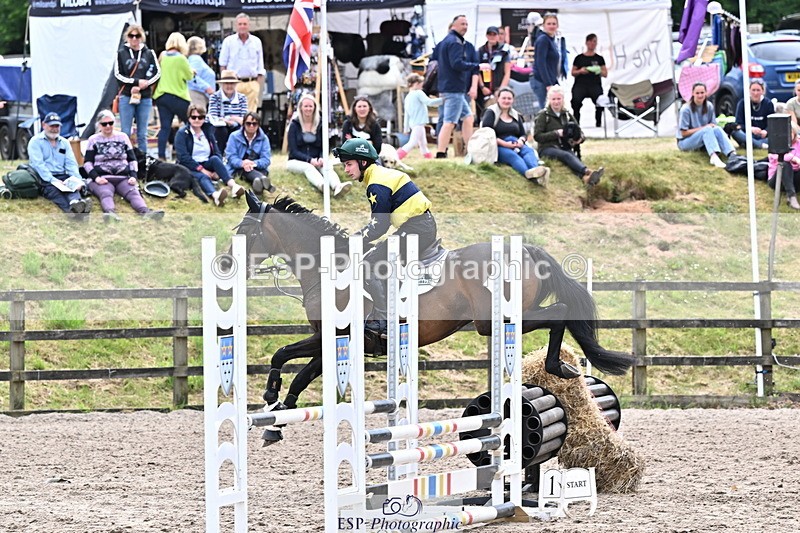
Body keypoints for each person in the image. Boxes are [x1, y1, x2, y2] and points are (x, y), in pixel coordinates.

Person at [333, 138, 437, 336]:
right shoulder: (380, 175)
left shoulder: (376, 184)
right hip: (419, 225)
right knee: (378, 254)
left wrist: (354, 240)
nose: (345, 170)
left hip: (417, 227)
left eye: (348, 164)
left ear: (363, 163)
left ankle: (383, 320)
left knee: (368, 264)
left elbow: (379, 226)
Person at [83, 110, 164, 222]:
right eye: (104, 124)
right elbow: (87, 162)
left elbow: (132, 159)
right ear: (99, 125)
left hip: (123, 177)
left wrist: (133, 176)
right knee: (105, 193)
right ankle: (110, 213)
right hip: (103, 178)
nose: (108, 126)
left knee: (133, 192)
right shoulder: (93, 140)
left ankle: (146, 212)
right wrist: (96, 178)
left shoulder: (123, 137)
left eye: (110, 123)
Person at [435, 15, 487, 159]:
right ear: (453, 26)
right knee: (449, 122)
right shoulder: (455, 42)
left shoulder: (446, 41)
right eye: (462, 24)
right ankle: (440, 153)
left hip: (449, 87)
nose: (465, 27)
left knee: (468, 118)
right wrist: (478, 66)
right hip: (453, 88)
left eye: (466, 24)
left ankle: (470, 152)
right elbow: (456, 64)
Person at [175, 103, 244, 207]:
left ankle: (233, 186)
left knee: (216, 159)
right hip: (189, 166)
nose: (197, 120)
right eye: (194, 117)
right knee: (203, 177)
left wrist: (216, 171)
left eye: (200, 117)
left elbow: (217, 151)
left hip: (206, 162)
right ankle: (215, 196)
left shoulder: (207, 131)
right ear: (189, 118)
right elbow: (183, 157)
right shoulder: (182, 133)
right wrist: (202, 169)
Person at [534, 86, 604, 185]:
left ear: (563, 99)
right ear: (549, 100)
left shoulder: (566, 114)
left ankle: (585, 178)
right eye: (553, 99)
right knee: (566, 155)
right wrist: (556, 134)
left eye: (559, 99)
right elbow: (537, 136)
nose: (556, 102)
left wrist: (579, 139)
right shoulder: (543, 115)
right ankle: (587, 172)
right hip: (547, 148)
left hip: (564, 146)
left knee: (572, 157)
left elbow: (579, 130)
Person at [27, 112, 92, 216]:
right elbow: (39, 165)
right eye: (51, 125)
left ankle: (78, 205)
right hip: (45, 179)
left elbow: (71, 164)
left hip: (63, 176)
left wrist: (78, 180)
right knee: (55, 192)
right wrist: (54, 180)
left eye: (57, 126)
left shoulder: (65, 142)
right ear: (44, 125)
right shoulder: (35, 142)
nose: (54, 128)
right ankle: (73, 212)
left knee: (73, 188)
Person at [286, 93, 351, 197]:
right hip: (296, 161)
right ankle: (322, 186)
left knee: (327, 165)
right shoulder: (294, 125)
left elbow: (325, 145)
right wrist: (309, 160)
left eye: (310, 106)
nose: (308, 109)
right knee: (308, 167)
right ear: (301, 108)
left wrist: (321, 158)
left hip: (316, 159)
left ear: (315, 107)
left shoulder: (320, 124)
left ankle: (337, 186)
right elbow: (293, 151)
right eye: (305, 106)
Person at [482, 87, 549, 186]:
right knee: (513, 156)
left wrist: (521, 140)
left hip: (516, 143)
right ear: (498, 99)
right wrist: (505, 144)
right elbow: (486, 133)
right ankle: (529, 175)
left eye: (509, 99)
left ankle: (536, 171)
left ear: (513, 100)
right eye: (504, 98)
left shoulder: (516, 114)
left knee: (528, 151)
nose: (506, 101)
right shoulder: (491, 113)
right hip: (498, 145)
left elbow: (523, 134)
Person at [114, 23, 160, 154]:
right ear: (127, 37)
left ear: (142, 37)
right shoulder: (121, 53)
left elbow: (157, 73)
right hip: (127, 95)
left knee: (142, 133)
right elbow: (117, 75)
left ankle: (143, 163)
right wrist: (135, 83)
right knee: (125, 132)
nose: (134, 39)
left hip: (144, 96)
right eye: (131, 36)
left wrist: (145, 84)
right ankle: (125, 160)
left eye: (137, 36)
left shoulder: (149, 53)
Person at [153, 32, 193, 161]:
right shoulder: (181, 58)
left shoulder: (162, 56)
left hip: (162, 95)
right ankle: (187, 153)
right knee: (190, 124)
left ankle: (161, 156)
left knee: (165, 127)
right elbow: (189, 76)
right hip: (179, 96)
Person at [676, 82, 736, 168]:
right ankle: (714, 157)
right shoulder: (686, 109)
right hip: (685, 142)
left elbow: (713, 126)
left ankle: (732, 154)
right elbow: (683, 133)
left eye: (702, 93)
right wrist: (704, 128)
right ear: (693, 93)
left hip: (703, 138)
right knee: (707, 129)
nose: (700, 95)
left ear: (706, 93)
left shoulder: (709, 106)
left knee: (717, 129)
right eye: (697, 93)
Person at [219, 12, 265, 114]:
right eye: (240, 24)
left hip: (252, 83)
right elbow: (223, 64)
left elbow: (260, 65)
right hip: (234, 84)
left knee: (251, 116)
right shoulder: (228, 41)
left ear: (249, 25)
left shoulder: (256, 41)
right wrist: (225, 84)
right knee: (234, 114)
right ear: (236, 26)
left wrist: (258, 85)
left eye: (244, 24)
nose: (242, 26)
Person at [225, 111, 274, 196]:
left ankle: (258, 182)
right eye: (248, 123)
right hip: (239, 168)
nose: (251, 126)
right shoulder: (233, 136)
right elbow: (231, 156)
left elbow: (266, 159)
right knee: (246, 170)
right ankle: (263, 182)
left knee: (253, 170)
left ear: (258, 125)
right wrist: (242, 163)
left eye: (254, 124)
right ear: (243, 124)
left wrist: (253, 163)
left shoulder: (264, 138)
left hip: (258, 167)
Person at [397, 73, 441, 160]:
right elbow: (429, 102)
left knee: (423, 143)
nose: (422, 86)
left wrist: (406, 128)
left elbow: (407, 114)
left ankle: (428, 157)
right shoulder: (418, 93)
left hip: (414, 123)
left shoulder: (408, 97)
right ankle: (397, 156)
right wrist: (443, 100)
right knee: (412, 142)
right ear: (416, 83)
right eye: (421, 83)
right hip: (419, 123)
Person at [570, 33, 607, 128]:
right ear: (586, 43)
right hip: (581, 84)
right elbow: (573, 72)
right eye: (590, 41)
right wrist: (580, 71)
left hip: (594, 84)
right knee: (575, 101)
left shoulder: (599, 58)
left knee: (600, 101)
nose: (592, 44)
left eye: (594, 41)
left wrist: (598, 70)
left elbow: (605, 73)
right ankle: (576, 123)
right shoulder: (579, 58)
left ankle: (598, 122)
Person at [208, 70, 249, 154]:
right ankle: (219, 154)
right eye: (226, 83)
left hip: (237, 126)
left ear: (235, 84)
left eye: (232, 83)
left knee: (240, 131)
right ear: (222, 84)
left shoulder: (242, 98)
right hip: (219, 128)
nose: (229, 86)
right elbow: (213, 117)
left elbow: (244, 119)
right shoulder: (214, 97)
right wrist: (229, 121)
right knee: (221, 130)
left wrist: (230, 119)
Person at [476, 26, 511, 119]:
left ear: (498, 36)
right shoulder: (480, 50)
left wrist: (501, 89)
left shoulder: (504, 50)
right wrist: (482, 86)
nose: (492, 37)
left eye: (494, 34)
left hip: (498, 86)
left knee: (500, 114)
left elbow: (507, 72)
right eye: (490, 34)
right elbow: (476, 69)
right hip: (483, 89)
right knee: (484, 115)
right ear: (486, 35)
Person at [730, 79, 773, 150]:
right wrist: (750, 129)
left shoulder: (768, 104)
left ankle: (752, 144)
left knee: (775, 137)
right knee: (735, 132)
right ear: (749, 90)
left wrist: (766, 131)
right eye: (753, 90)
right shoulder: (742, 103)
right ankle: (760, 145)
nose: (755, 93)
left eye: (758, 90)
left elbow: (771, 124)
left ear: (763, 91)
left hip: (762, 136)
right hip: (747, 134)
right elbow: (739, 124)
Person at [531, 13, 561, 113]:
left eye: (554, 23)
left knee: (554, 110)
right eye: (549, 24)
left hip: (550, 80)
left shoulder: (551, 40)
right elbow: (541, 63)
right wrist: (548, 84)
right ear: (543, 25)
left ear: (557, 25)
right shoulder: (543, 39)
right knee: (545, 111)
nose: (551, 26)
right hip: (541, 81)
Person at [767, 129, 800, 210]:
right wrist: (794, 158)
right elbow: (776, 156)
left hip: (795, 177)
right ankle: (791, 196)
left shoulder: (798, 143)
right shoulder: (775, 144)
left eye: (790, 133)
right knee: (784, 164)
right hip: (777, 180)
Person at [186, 36, 216, 108]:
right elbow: (192, 77)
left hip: (200, 95)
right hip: (197, 95)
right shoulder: (195, 59)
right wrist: (207, 88)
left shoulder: (193, 59)